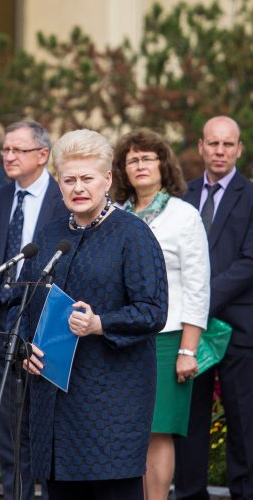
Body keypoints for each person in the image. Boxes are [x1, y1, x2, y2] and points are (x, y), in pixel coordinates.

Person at [21, 128, 168, 500]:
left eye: (87, 178)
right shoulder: (52, 234)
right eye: (69, 179)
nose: (78, 187)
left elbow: (153, 311)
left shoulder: (132, 235)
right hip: (54, 401)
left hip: (111, 402)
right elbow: (23, 304)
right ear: (58, 182)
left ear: (107, 180)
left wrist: (101, 323)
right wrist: (26, 349)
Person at [112, 129, 210, 500]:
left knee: (156, 429)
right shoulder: (115, 214)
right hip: (122, 336)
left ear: (163, 165)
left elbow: (199, 285)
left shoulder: (184, 215)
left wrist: (189, 349)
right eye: (131, 159)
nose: (139, 165)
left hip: (168, 340)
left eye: (147, 157)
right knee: (127, 429)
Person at [0, 120, 68, 500]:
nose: (7, 157)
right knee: (9, 432)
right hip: (1, 324)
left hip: (47, 325)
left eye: (18, 150)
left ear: (43, 155)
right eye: (5, 150)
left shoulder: (63, 198)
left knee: (46, 428)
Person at [174, 116, 253, 500]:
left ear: (239, 149)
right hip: (189, 332)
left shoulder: (252, 197)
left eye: (228, 144)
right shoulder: (181, 195)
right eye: (213, 143)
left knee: (244, 423)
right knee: (189, 422)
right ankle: (190, 494)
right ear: (201, 147)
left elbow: (249, 262)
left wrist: (200, 298)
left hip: (239, 329)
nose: (220, 151)